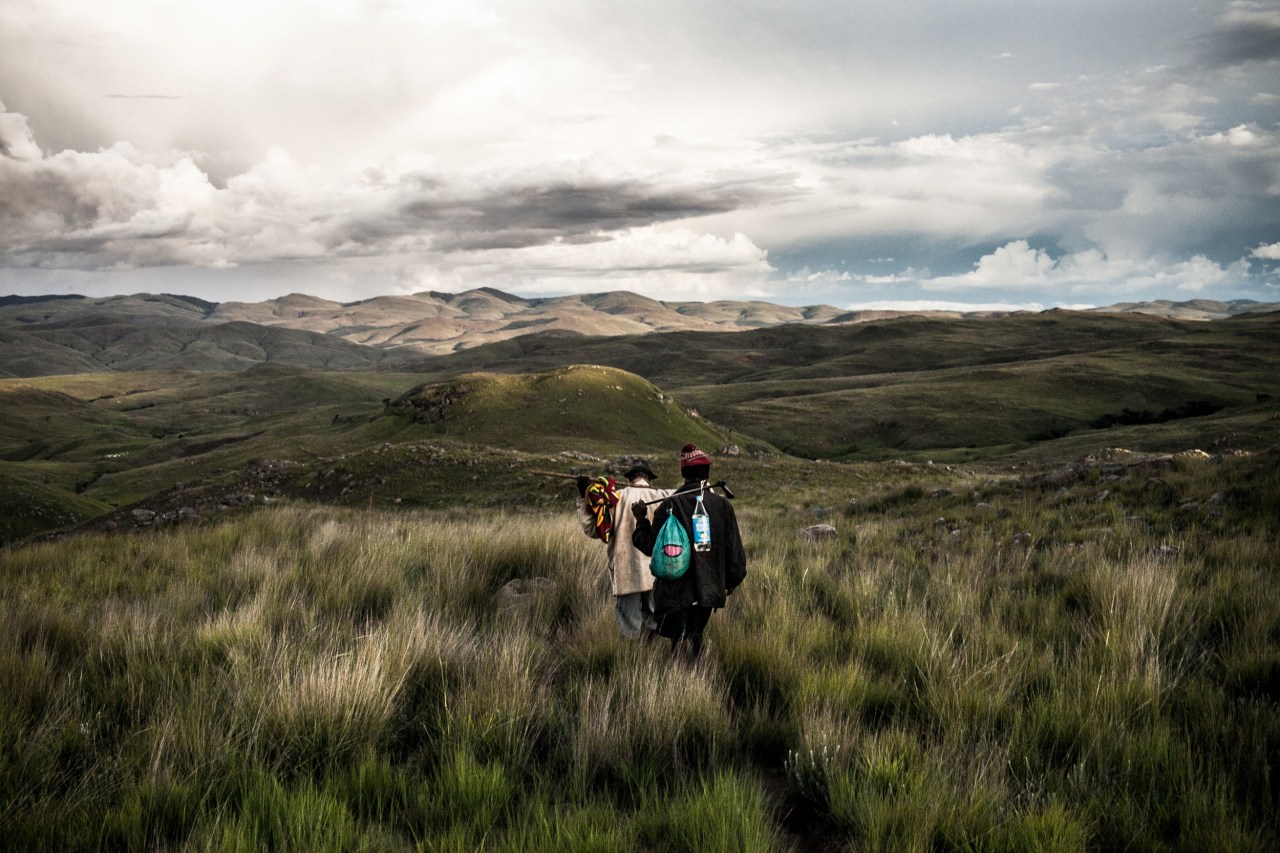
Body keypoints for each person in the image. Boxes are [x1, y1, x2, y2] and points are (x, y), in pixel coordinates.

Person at [631, 444, 746, 661]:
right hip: (709, 589)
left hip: (676, 589)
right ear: (707, 474)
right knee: (696, 632)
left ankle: (680, 683)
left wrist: (641, 519)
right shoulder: (722, 506)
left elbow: (649, 546)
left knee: (679, 637)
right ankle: (697, 678)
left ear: (683, 474)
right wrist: (731, 581)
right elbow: (735, 551)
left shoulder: (669, 506)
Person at [576, 460, 671, 640]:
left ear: (630, 478)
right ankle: (656, 659)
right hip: (657, 570)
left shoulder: (615, 498)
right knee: (656, 619)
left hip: (625, 570)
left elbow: (593, 530)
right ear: (649, 478)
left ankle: (630, 660)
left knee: (628, 625)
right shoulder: (663, 495)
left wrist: (583, 498)